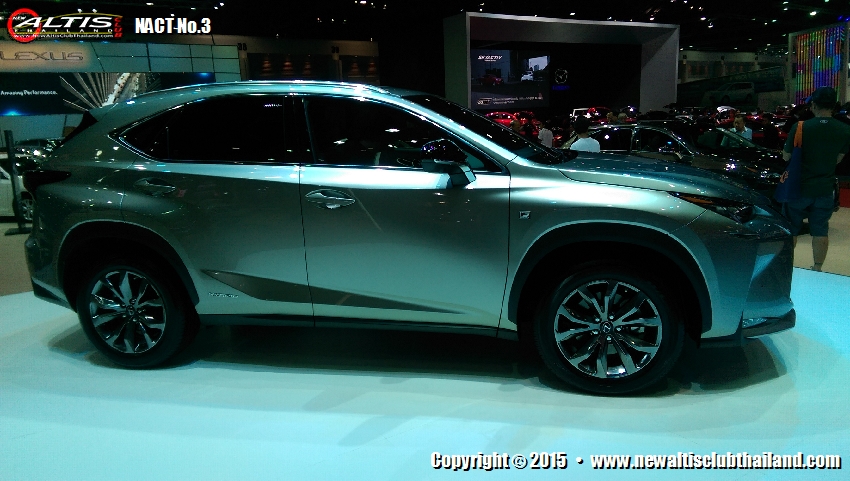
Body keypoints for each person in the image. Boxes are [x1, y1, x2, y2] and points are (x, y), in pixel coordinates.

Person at [782, 86, 850, 272]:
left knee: (792, 228)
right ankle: (817, 268)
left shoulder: (800, 127)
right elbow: (838, 160)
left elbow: (786, 157)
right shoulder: (845, 130)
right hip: (825, 188)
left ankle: (788, 267)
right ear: (834, 106)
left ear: (813, 105)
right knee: (820, 230)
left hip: (798, 188)